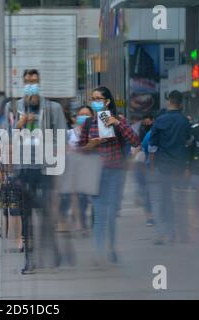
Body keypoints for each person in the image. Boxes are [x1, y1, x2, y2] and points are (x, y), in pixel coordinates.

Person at [12, 69, 68, 274]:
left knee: (45, 212)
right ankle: (29, 259)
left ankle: (53, 248)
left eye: (34, 81)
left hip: (46, 169)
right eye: (27, 81)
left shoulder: (53, 108)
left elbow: (62, 139)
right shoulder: (16, 107)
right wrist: (20, 124)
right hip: (24, 168)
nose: (31, 85)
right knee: (27, 216)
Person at [78, 86, 140, 265]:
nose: (95, 102)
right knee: (99, 214)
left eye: (99, 99)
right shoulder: (89, 123)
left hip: (114, 173)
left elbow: (135, 141)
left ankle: (111, 247)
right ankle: (98, 252)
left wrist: (117, 124)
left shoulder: (118, 119)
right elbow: (80, 150)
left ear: (107, 101)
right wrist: (90, 146)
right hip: (95, 173)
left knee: (111, 213)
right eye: (93, 98)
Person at [148, 90, 192, 245]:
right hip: (179, 167)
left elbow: (152, 146)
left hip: (163, 167)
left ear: (169, 103)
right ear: (180, 104)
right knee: (181, 201)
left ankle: (166, 233)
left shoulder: (159, 121)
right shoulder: (184, 121)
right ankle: (182, 234)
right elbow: (188, 141)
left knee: (165, 200)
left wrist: (152, 166)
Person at [59, 106, 94, 234]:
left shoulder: (95, 133)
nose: (83, 117)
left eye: (87, 114)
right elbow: (61, 149)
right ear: (75, 118)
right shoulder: (69, 133)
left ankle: (81, 220)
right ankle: (77, 222)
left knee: (84, 198)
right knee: (73, 195)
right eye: (81, 114)